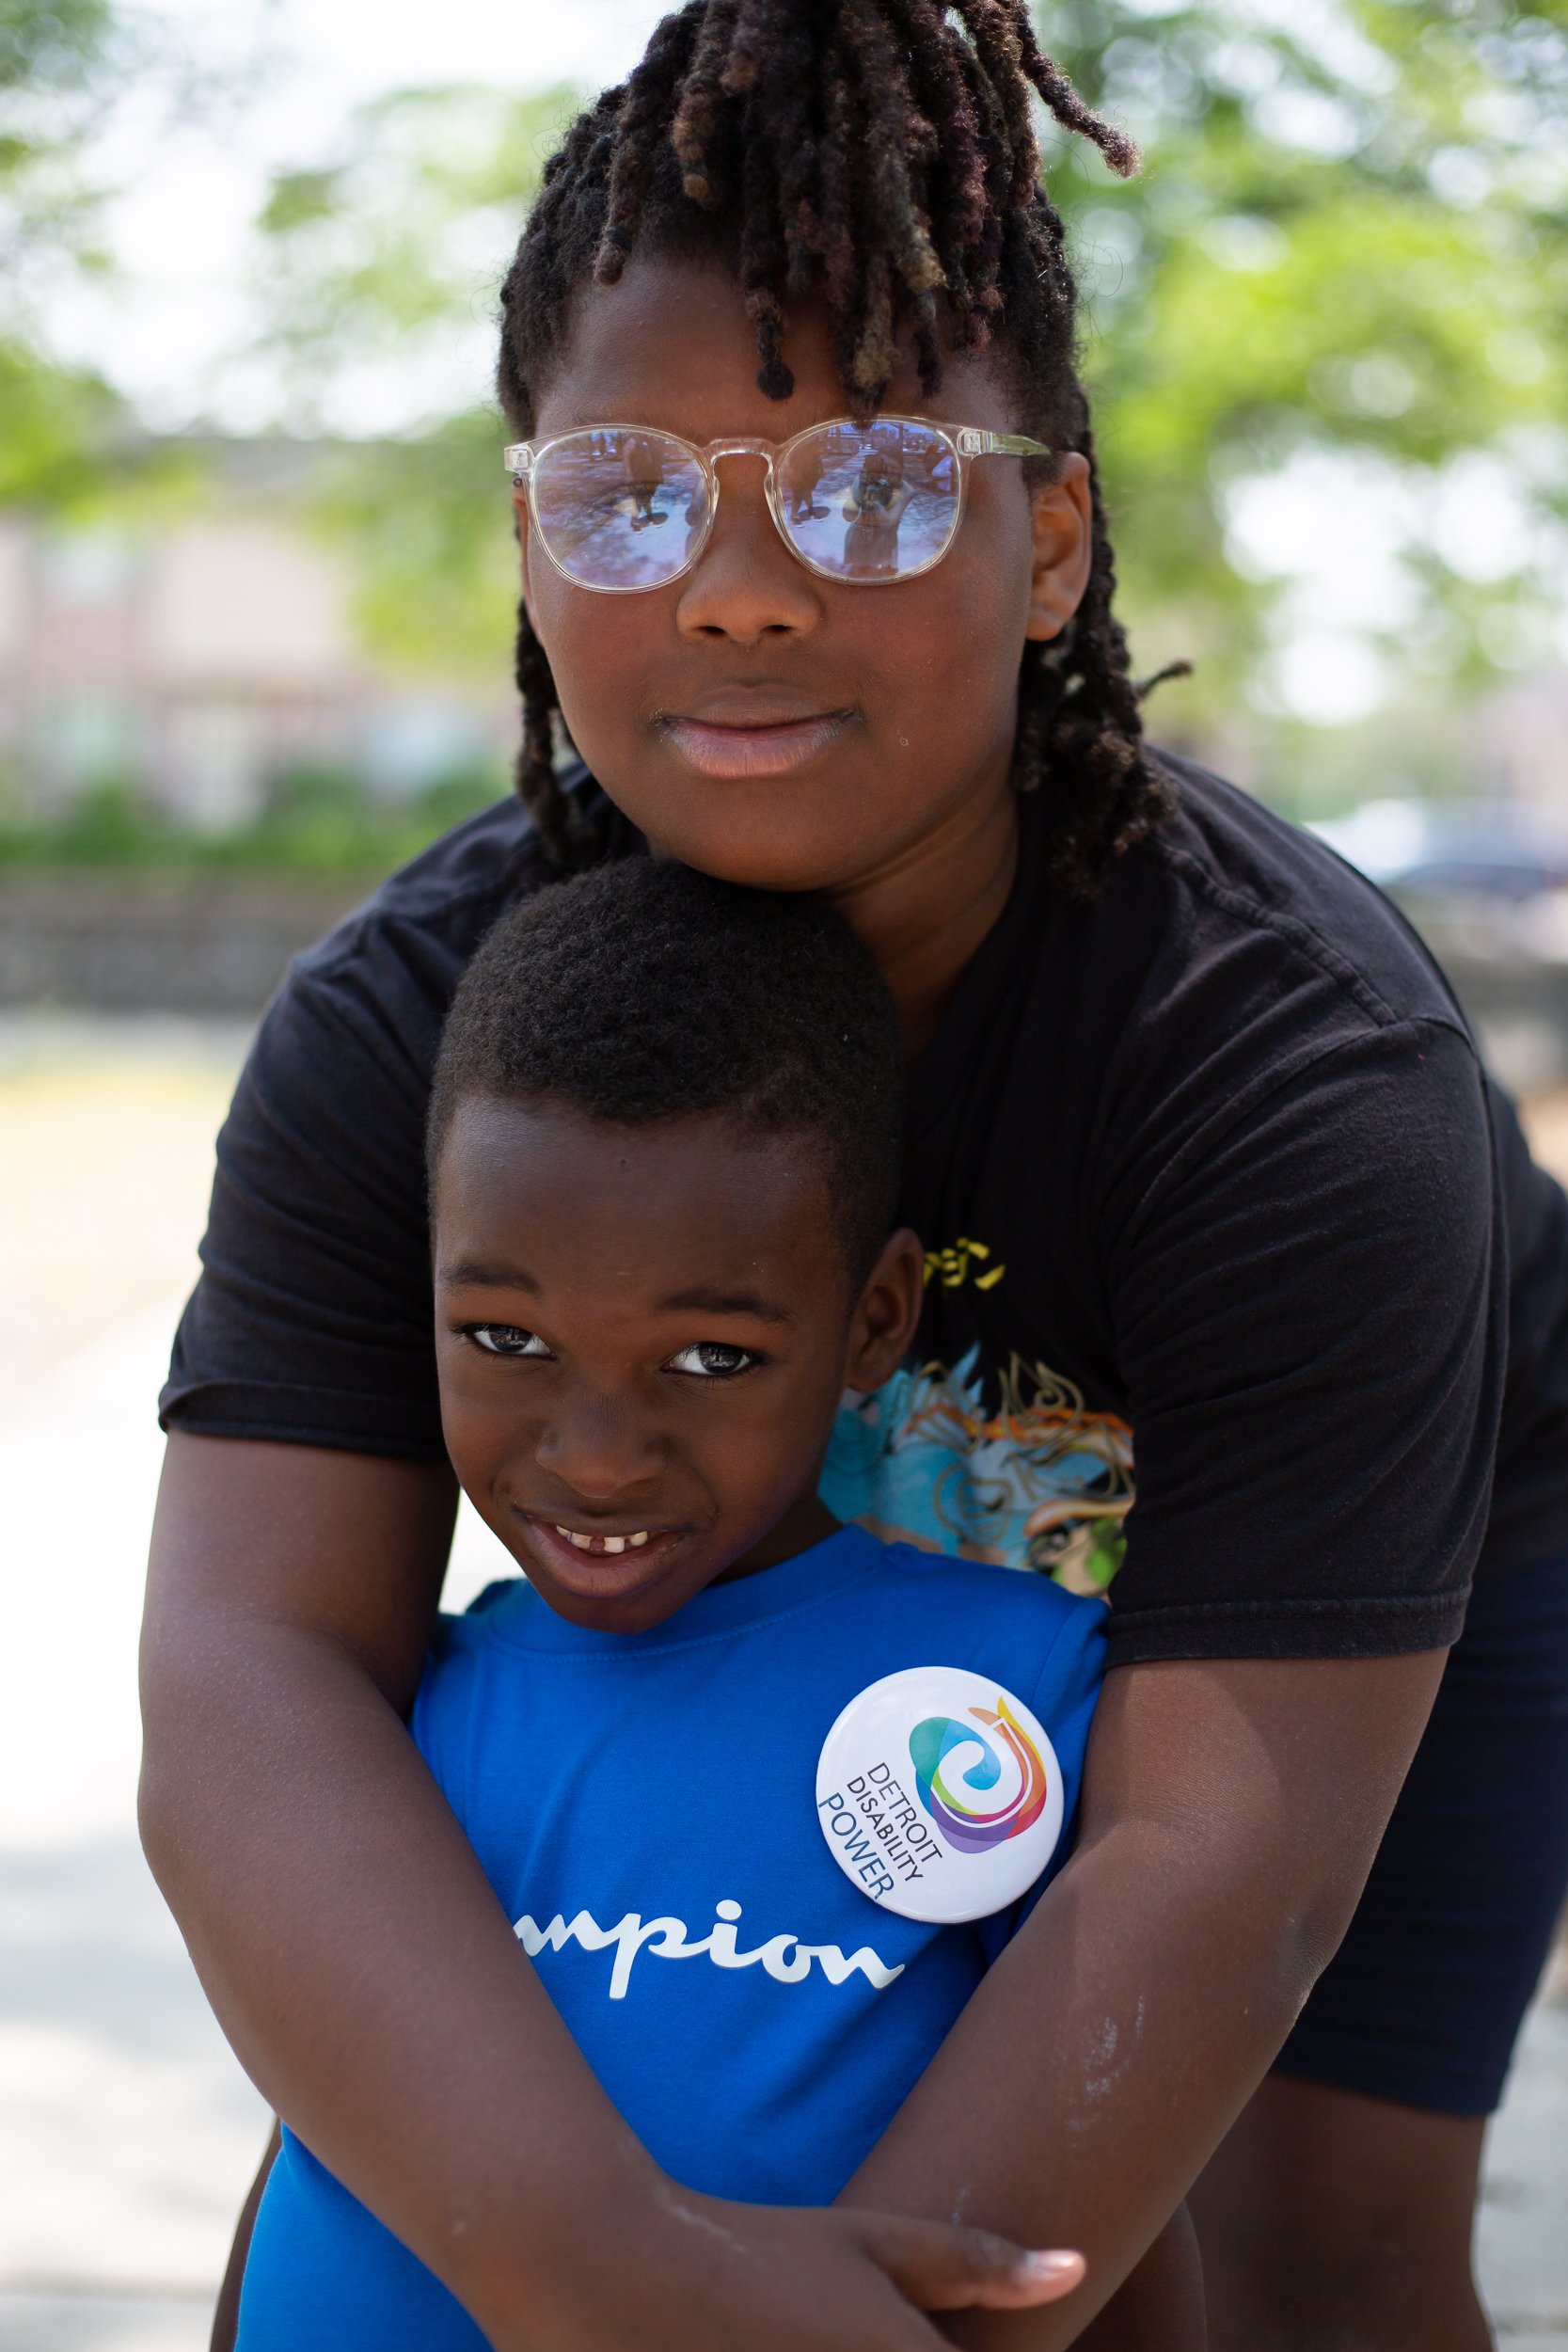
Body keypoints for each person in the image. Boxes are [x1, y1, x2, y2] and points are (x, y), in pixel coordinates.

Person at [139, 6, 1568, 2350]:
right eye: (627, 490)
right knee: (480, 2145)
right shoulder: (409, 1025)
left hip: (1347, 1577)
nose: (740, 586)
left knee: (1309, 2241)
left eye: (877, 486)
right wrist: (595, 2257)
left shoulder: (1297, 1075)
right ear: (527, 539)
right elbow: (254, 1675)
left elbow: (1205, 1865)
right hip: (730, 1544)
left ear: (1050, 541)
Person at [233, 856, 1177, 2347]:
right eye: (502, 1334)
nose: (596, 1455)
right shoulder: (398, 1704)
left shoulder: (1013, 1699)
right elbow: (314, 2136)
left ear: (875, 1320)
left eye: (711, 1357)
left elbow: (1107, 2227)